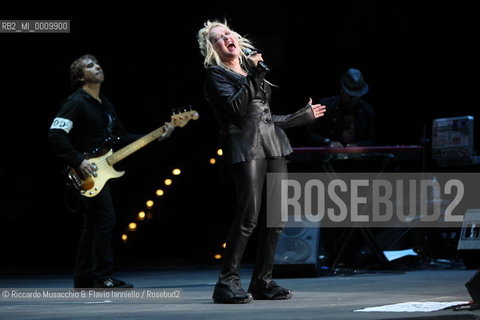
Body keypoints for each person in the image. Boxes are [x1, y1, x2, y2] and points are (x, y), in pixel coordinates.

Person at [197, 20, 326, 304]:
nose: (226, 38)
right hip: (245, 148)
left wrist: (299, 117)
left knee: (276, 218)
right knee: (249, 215)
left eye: (228, 33)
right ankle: (226, 283)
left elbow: (264, 119)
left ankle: (262, 281)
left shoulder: (249, 72)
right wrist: (254, 74)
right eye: (219, 37)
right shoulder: (216, 75)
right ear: (213, 48)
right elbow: (237, 110)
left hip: (273, 146)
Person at [48, 54, 174, 288]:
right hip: (84, 172)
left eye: (97, 63)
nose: (97, 67)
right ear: (79, 77)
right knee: (105, 219)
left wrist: (157, 135)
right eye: (89, 66)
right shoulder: (76, 102)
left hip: (101, 171)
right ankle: (102, 276)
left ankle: (84, 277)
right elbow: (55, 133)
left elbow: (122, 139)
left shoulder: (105, 105)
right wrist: (77, 160)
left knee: (93, 224)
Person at [305, 68, 375, 147]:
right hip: (328, 157)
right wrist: (328, 142)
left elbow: (372, 139)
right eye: (350, 96)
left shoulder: (366, 110)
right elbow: (310, 133)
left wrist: (358, 146)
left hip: (358, 157)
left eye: (357, 96)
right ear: (342, 90)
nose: (354, 99)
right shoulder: (325, 106)